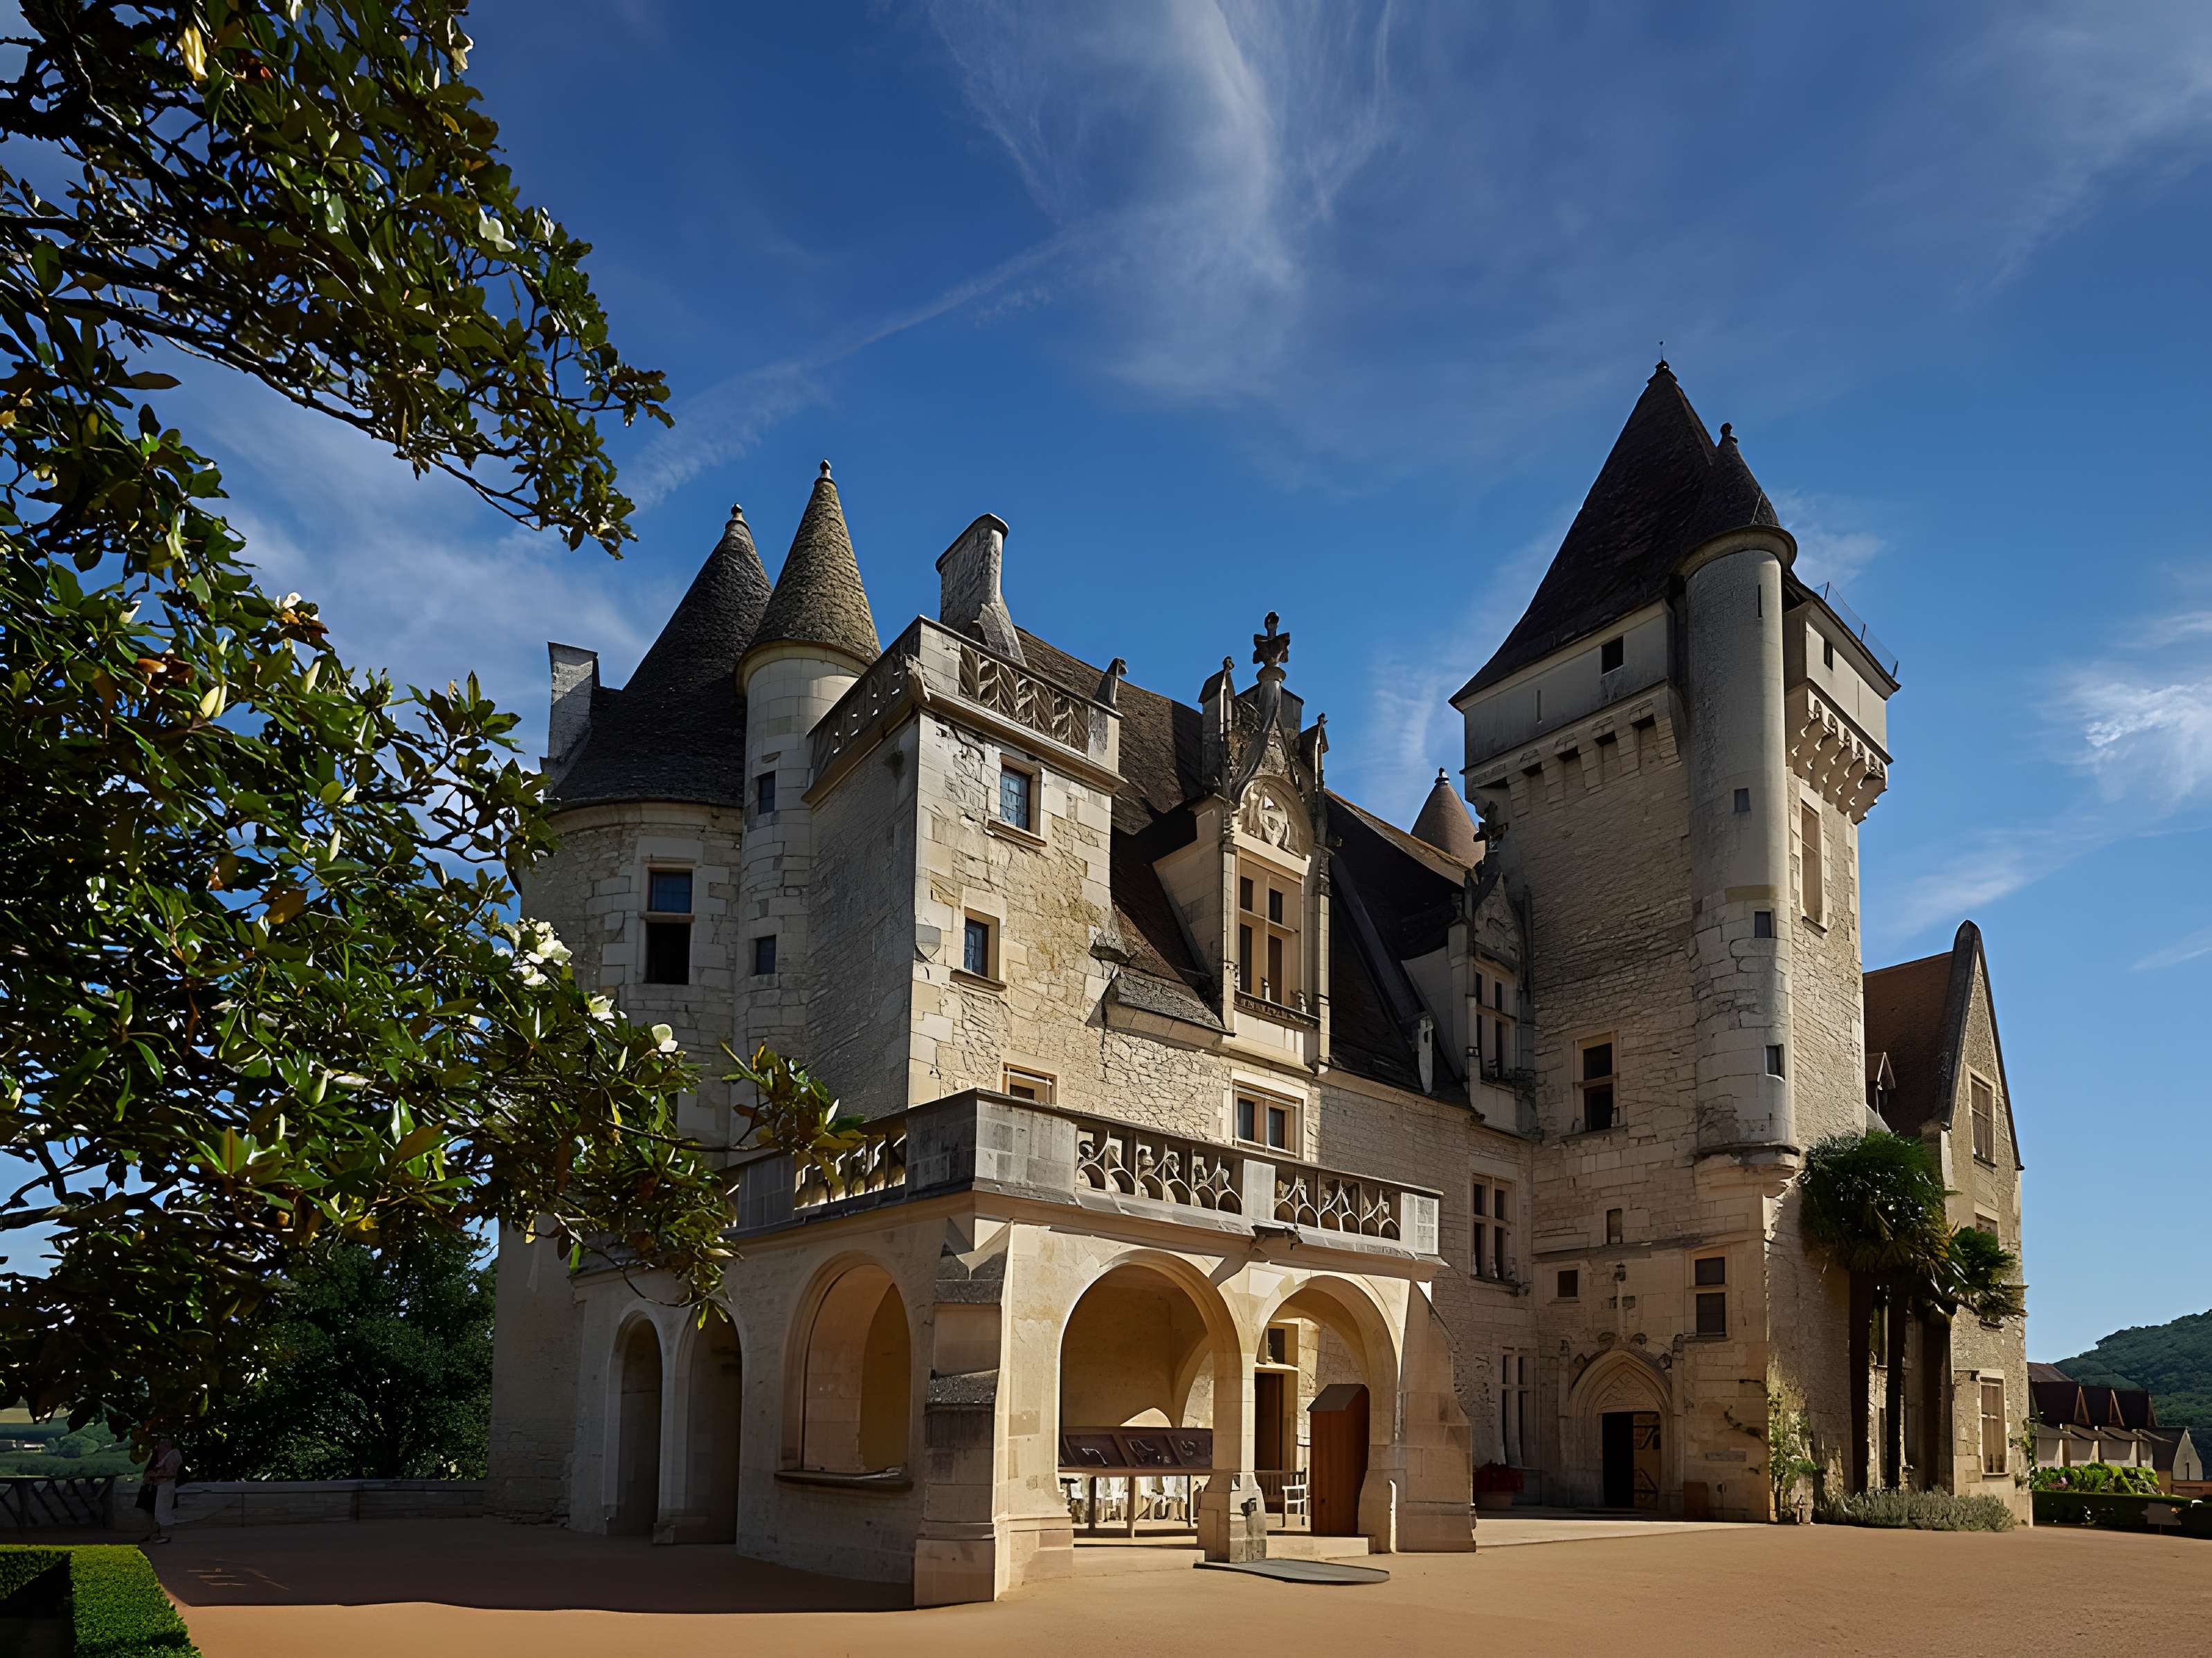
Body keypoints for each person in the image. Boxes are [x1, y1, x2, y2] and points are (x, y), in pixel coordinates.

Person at [143, 1435, 183, 1544]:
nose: (158, 1447)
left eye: (161, 1444)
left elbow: (171, 1473)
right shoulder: (167, 1455)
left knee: (163, 1510)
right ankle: (162, 1534)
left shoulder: (173, 1455)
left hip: (166, 1485)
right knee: (160, 1510)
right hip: (162, 1485)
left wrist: (154, 1476)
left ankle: (166, 1535)